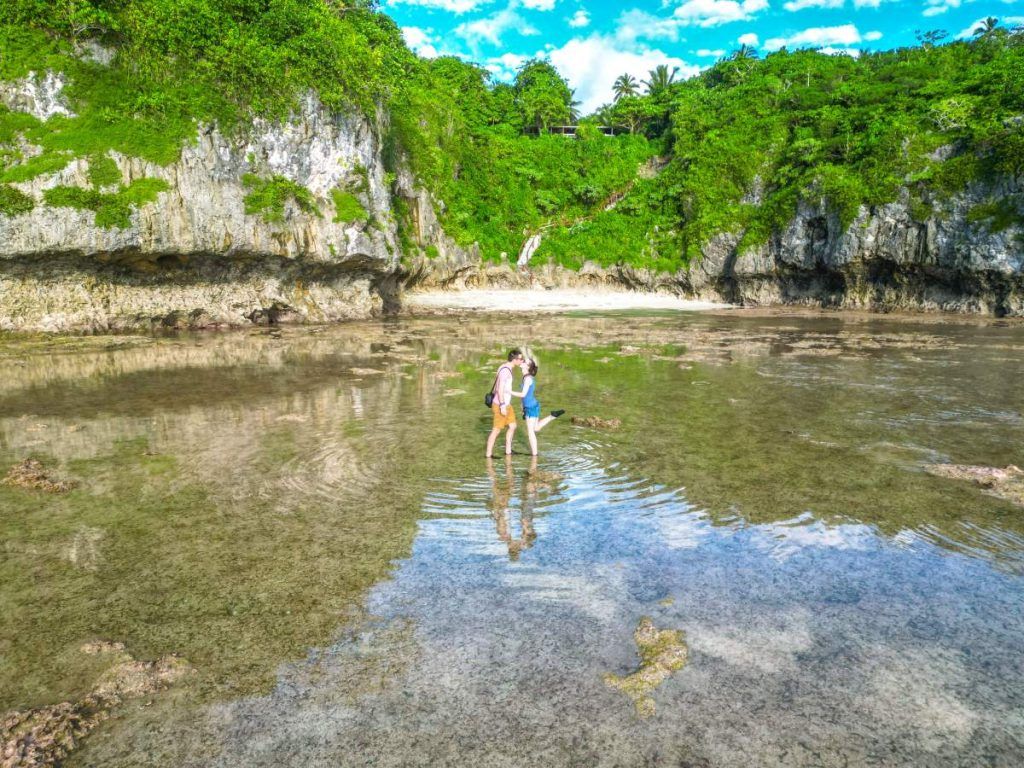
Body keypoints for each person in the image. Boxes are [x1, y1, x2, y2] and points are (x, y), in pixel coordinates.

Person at [513, 356, 565, 456]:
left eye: (525, 362)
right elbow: (525, 396)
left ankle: (534, 455)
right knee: (536, 428)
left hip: (531, 407)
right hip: (532, 405)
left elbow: (523, 394)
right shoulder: (525, 377)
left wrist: (508, 391)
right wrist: (522, 407)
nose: (522, 361)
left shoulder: (528, 379)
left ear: (527, 367)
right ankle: (552, 416)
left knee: (531, 432)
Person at [486, 349, 524, 458]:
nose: (522, 361)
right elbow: (499, 388)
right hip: (500, 404)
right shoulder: (505, 371)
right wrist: (502, 405)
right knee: (496, 430)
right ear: (514, 359)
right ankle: (488, 455)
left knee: (512, 426)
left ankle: (508, 451)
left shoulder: (504, 367)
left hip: (507, 404)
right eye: (521, 359)